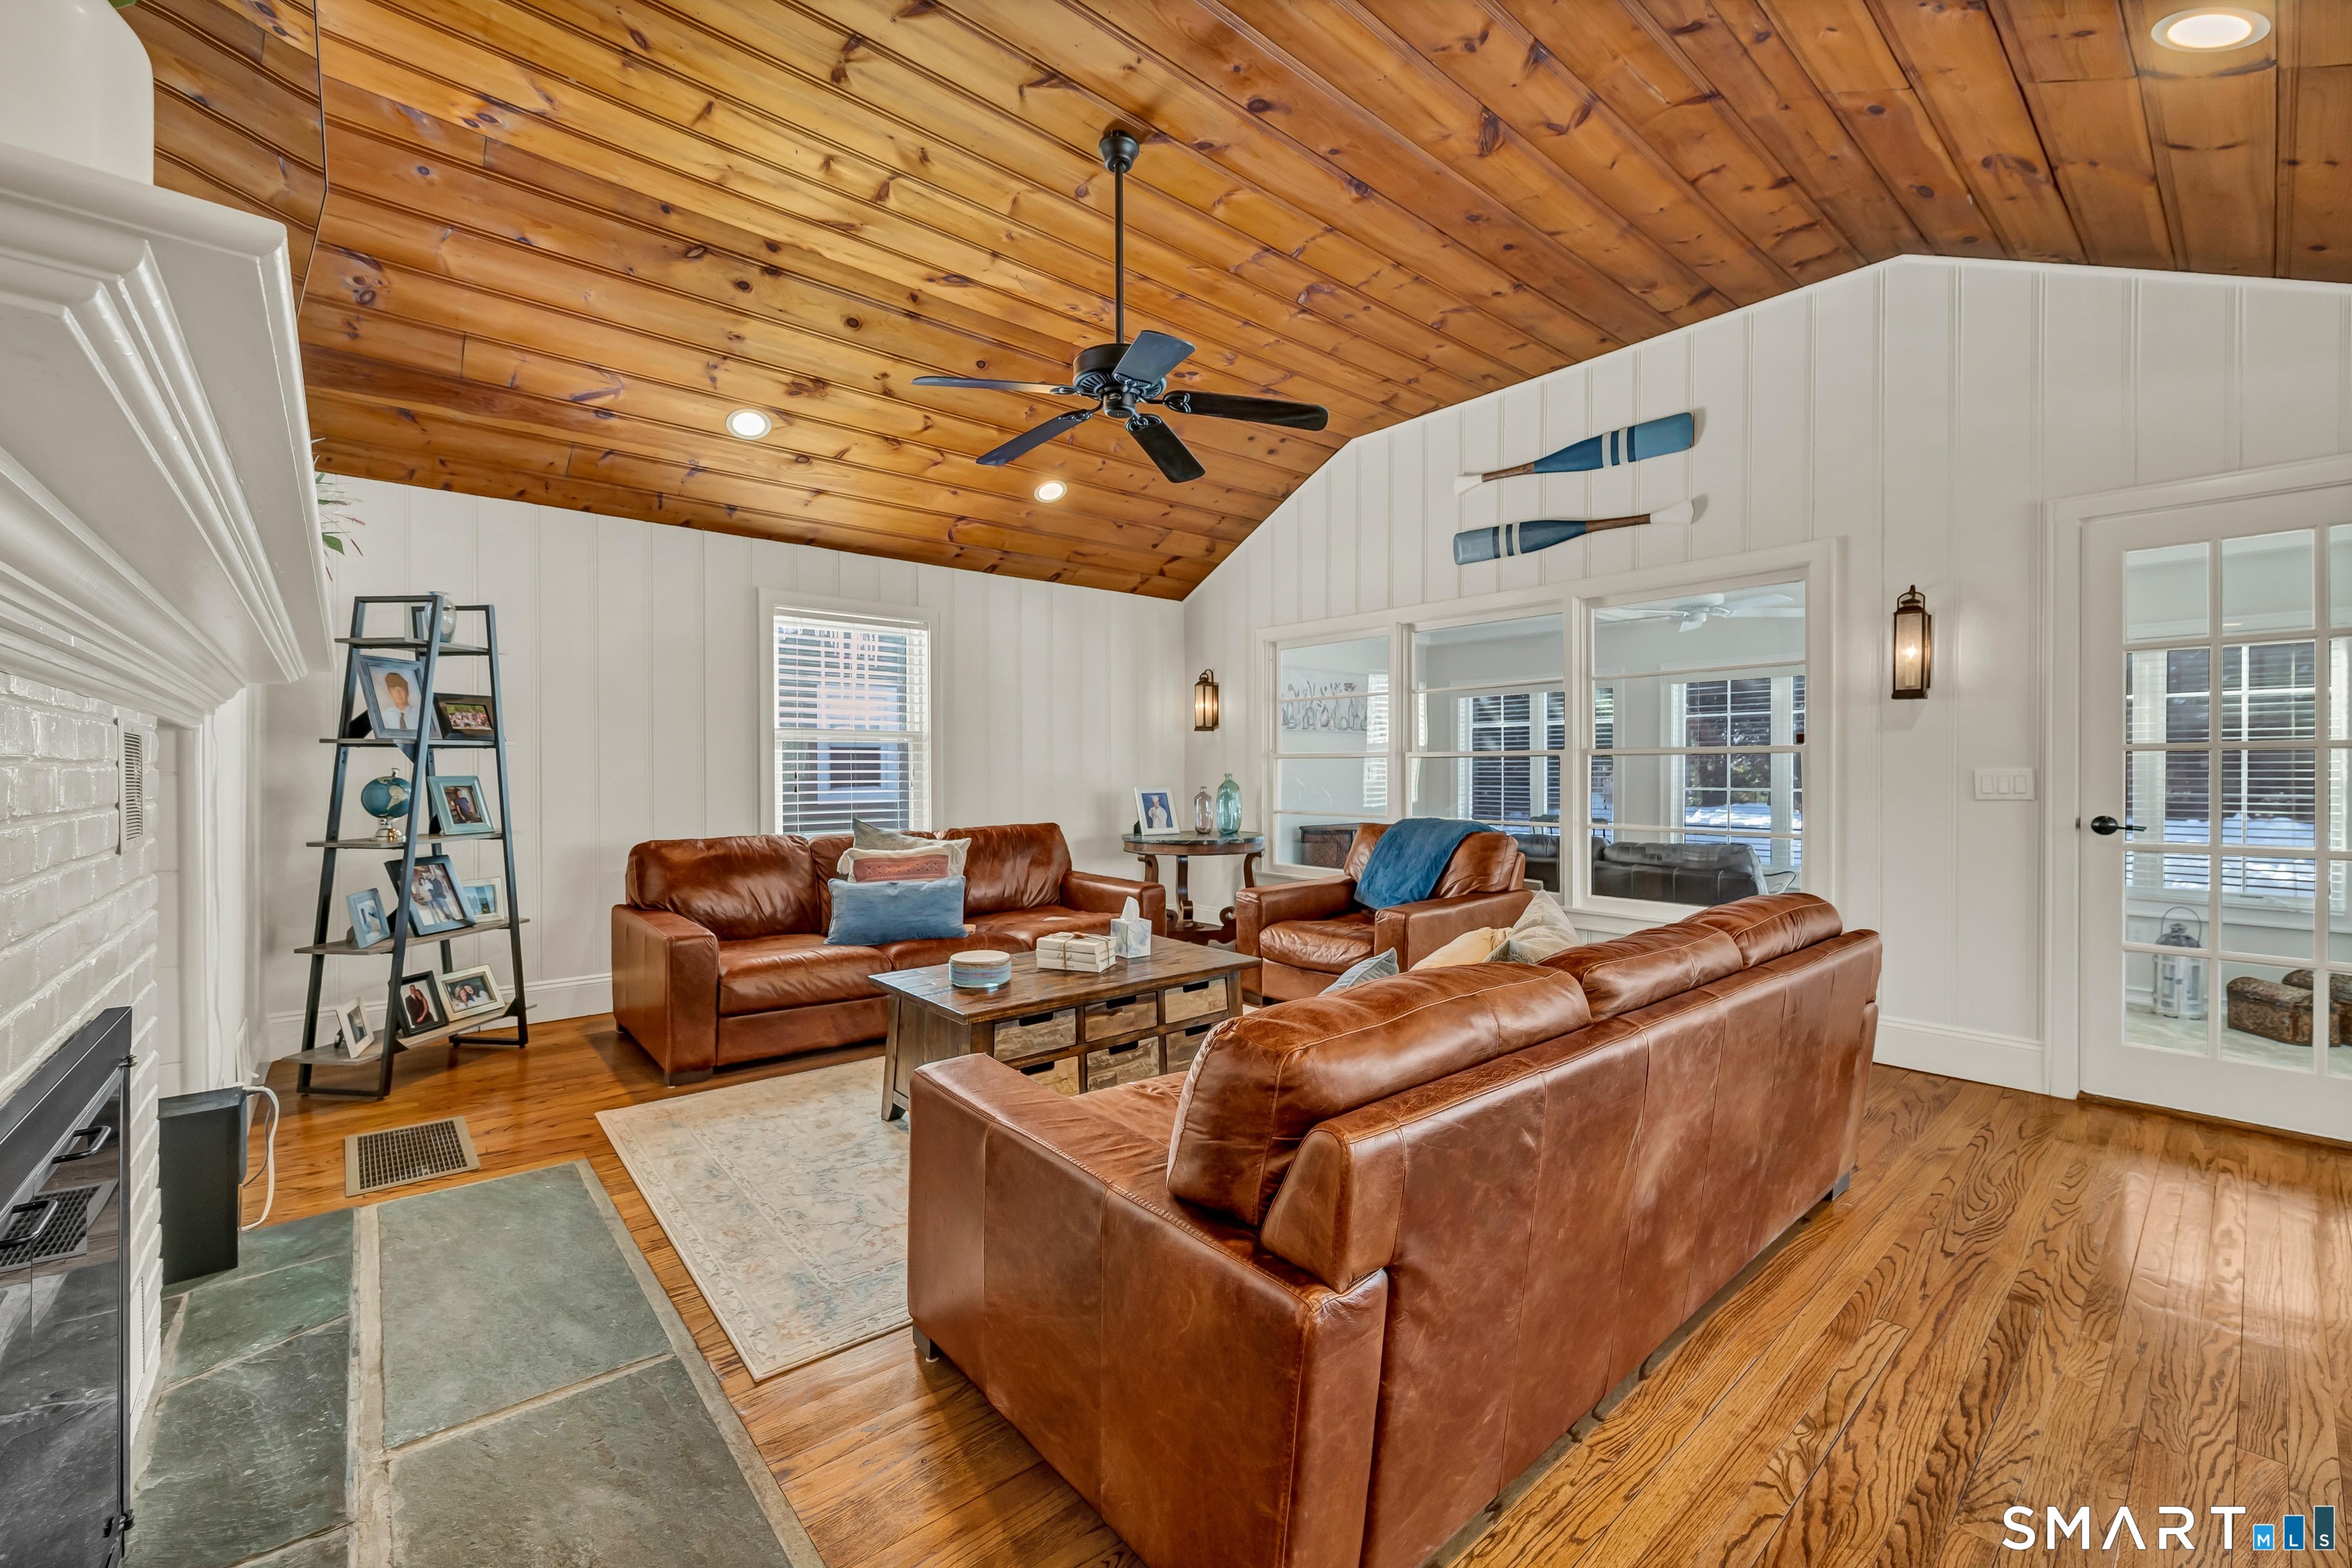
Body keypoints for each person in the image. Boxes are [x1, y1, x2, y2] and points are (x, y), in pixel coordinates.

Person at [381, 670, 418, 734]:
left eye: (401, 689)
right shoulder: (385, 716)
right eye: (394, 690)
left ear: (407, 692)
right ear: (390, 693)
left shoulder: (419, 715)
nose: (398, 693)